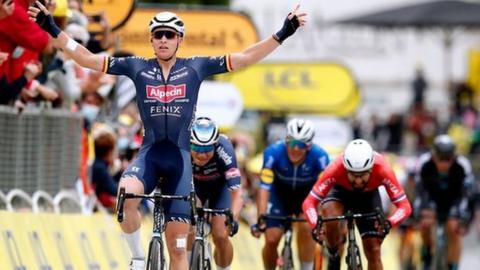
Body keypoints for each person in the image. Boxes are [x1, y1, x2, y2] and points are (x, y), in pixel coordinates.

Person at [28, 2, 307, 269]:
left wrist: (283, 32)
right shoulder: (137, 66)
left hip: (180, 161)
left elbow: (245, 58)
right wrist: (52, 28)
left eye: (169, 35)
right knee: (126, 196)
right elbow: (87, 58)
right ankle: (137, 257)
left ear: (179, 39)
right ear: (151, 40)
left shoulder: (196, 67)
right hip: (150, 155)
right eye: (157, 35)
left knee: (177, 249)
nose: (163, 39)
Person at [302, 139, 412, 270]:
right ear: (346, 169)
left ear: (371, 169)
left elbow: (405, 206)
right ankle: (333, 254)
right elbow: (309, 202)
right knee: (329, 216)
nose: (358, 181)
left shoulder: (383, 168)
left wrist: (389, 222)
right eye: (353, 175)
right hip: (340, 192)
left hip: (368, 197)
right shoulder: (336, 167)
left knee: (374, 251)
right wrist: (316, 225)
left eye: (363, 175)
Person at [251, 118, 330, 270]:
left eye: (300, 145)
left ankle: (306, 268)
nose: (294, 149)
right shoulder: (273, 153)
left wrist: (321, 220)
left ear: (309, 146)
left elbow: (323, 192)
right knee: (272, 239)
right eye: (291, 142)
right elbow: (264, 187)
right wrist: (261, 217)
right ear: (285, 140)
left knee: (307, 230)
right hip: (279, 196)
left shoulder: (320, 156)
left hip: (306, 197)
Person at [188, 117, 243, 270]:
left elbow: (237, 193)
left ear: (215, 145)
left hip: (220, 189)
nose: (201, 154)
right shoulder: (183, 147)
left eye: (207, 149)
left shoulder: (225, 150)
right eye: (197, 148)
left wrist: (233, 218)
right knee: (186, 224)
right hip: (195, 186)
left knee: (220, 235)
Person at [413, 134, 474, 270]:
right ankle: (427, 253)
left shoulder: (462, 165)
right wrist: (418, 211)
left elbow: (467, 195)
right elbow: (420, 191)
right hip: (432, 198)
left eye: (448, 159)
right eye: (441, 159)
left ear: (454, 156)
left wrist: (464, 216)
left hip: (454, 200)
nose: (444, 164)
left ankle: (453, 265)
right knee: (425, 222)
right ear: (434, 155)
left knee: (453, 228)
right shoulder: (424, 163)